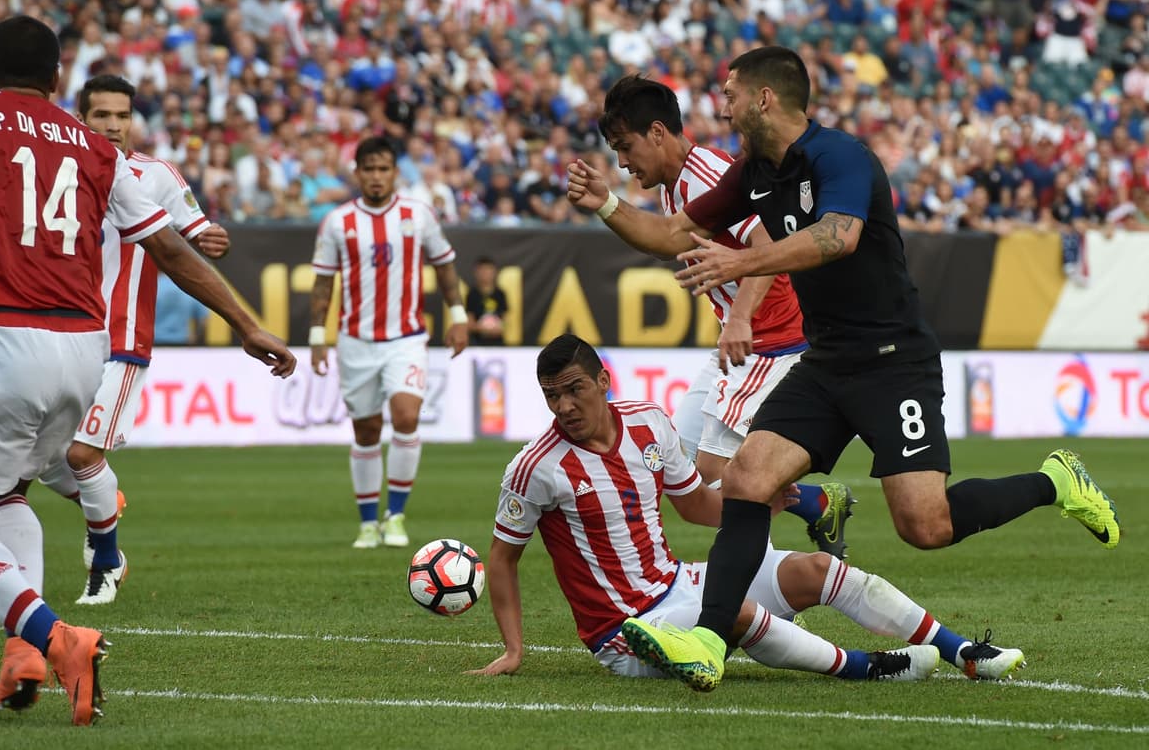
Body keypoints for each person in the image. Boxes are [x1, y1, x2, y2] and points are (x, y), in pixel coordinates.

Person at [566, 45, 1118, 692]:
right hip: (825, 361)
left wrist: (739, 267)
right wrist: (607, 204)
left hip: (892, 360)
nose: (721, 104)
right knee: (745, 479)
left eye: (732, 93)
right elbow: (672, 232)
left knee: (926, 524)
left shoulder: (841, 157)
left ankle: (1056, 479)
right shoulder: (752, 172)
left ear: (766, 98)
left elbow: (839, 236)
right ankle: (711, 639)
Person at [0, 15, 295, 726]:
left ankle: (56, 638)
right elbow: (169, 248)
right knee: (7, 491)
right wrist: (247, 324)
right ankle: (21, 652)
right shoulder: (97, 151)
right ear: (60, 80)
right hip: (81, 352)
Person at [466, 335, 1022, 685]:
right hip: (626, 629)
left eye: (574, 389)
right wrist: (513, 650)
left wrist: (763, 503)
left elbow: (695, 506)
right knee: (728, 613)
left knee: (818, 569)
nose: (564, 406)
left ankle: (961, 651)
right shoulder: (534, 467)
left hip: (679, 581)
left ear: (603, 382)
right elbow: (503, 557)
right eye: (551, 396)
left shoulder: (648, 422)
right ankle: (869, 667)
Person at [592, 74, 855, 557]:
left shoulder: (708, 173)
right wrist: (607, 205)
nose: (622, 162)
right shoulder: (674, 188)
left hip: (770, 343)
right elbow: (663, 241)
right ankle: (816, 504)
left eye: (625, 147)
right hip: (738, 344)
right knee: (681, 468)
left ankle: (778, 594)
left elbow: (768, 243)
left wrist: (737, 321)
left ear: (657, 132)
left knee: (725, 478)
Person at [34, 74, 232, 606]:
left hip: (120, 339)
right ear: (80, 118)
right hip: (54, 333)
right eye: (102, 115)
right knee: (33, 458)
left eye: (122, 116)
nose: (114, 125)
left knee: (80, 453)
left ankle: (105, 564)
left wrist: (209, 238)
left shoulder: (156, 175)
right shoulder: (54, 165)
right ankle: (102, 500)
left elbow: (192, 232)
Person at [309, 136, 469, 550]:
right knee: (365, 429)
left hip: (407, 338)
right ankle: (367, 522)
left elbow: (446, 266)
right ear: (357, 173)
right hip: (355, 340)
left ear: (395, 172)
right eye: (369, 169)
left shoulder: (419, 215)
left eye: (384, 169)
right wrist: (316, 337)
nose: (377, 177)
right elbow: (322, 284)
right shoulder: (337, 222)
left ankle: (395, 516)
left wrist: (458, 316)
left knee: (405, 417)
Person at [465, 255, 508, 346]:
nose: (485, 274)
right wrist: (483, 329)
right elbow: (470, 322)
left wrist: (499, 328)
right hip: (477, 343)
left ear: (495, 272)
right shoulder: (472, 295)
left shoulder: (500, 294)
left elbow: (505, 320)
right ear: (476, 272)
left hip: (498, 343)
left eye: (488, 270)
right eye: (482, 270)